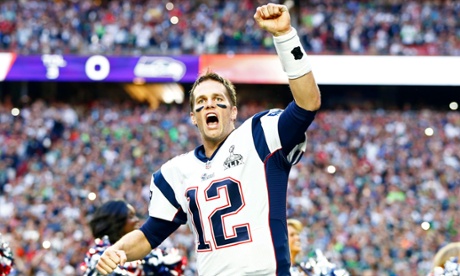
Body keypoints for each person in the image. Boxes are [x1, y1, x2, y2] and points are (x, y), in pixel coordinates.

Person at [95, 3, 321, 275]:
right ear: (193, 116)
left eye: (218, 100)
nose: (210, 106)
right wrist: (117, 251)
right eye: (201, 101)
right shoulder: (176, 172)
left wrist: (285, 37)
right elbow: (148, 235)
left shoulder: (259, 136)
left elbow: (307, 103)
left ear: (233, 111)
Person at [83, 199, 185, 276]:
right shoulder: (100, 257)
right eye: (131, 216)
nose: (137, 220)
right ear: (116, 221)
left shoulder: (153, 256)